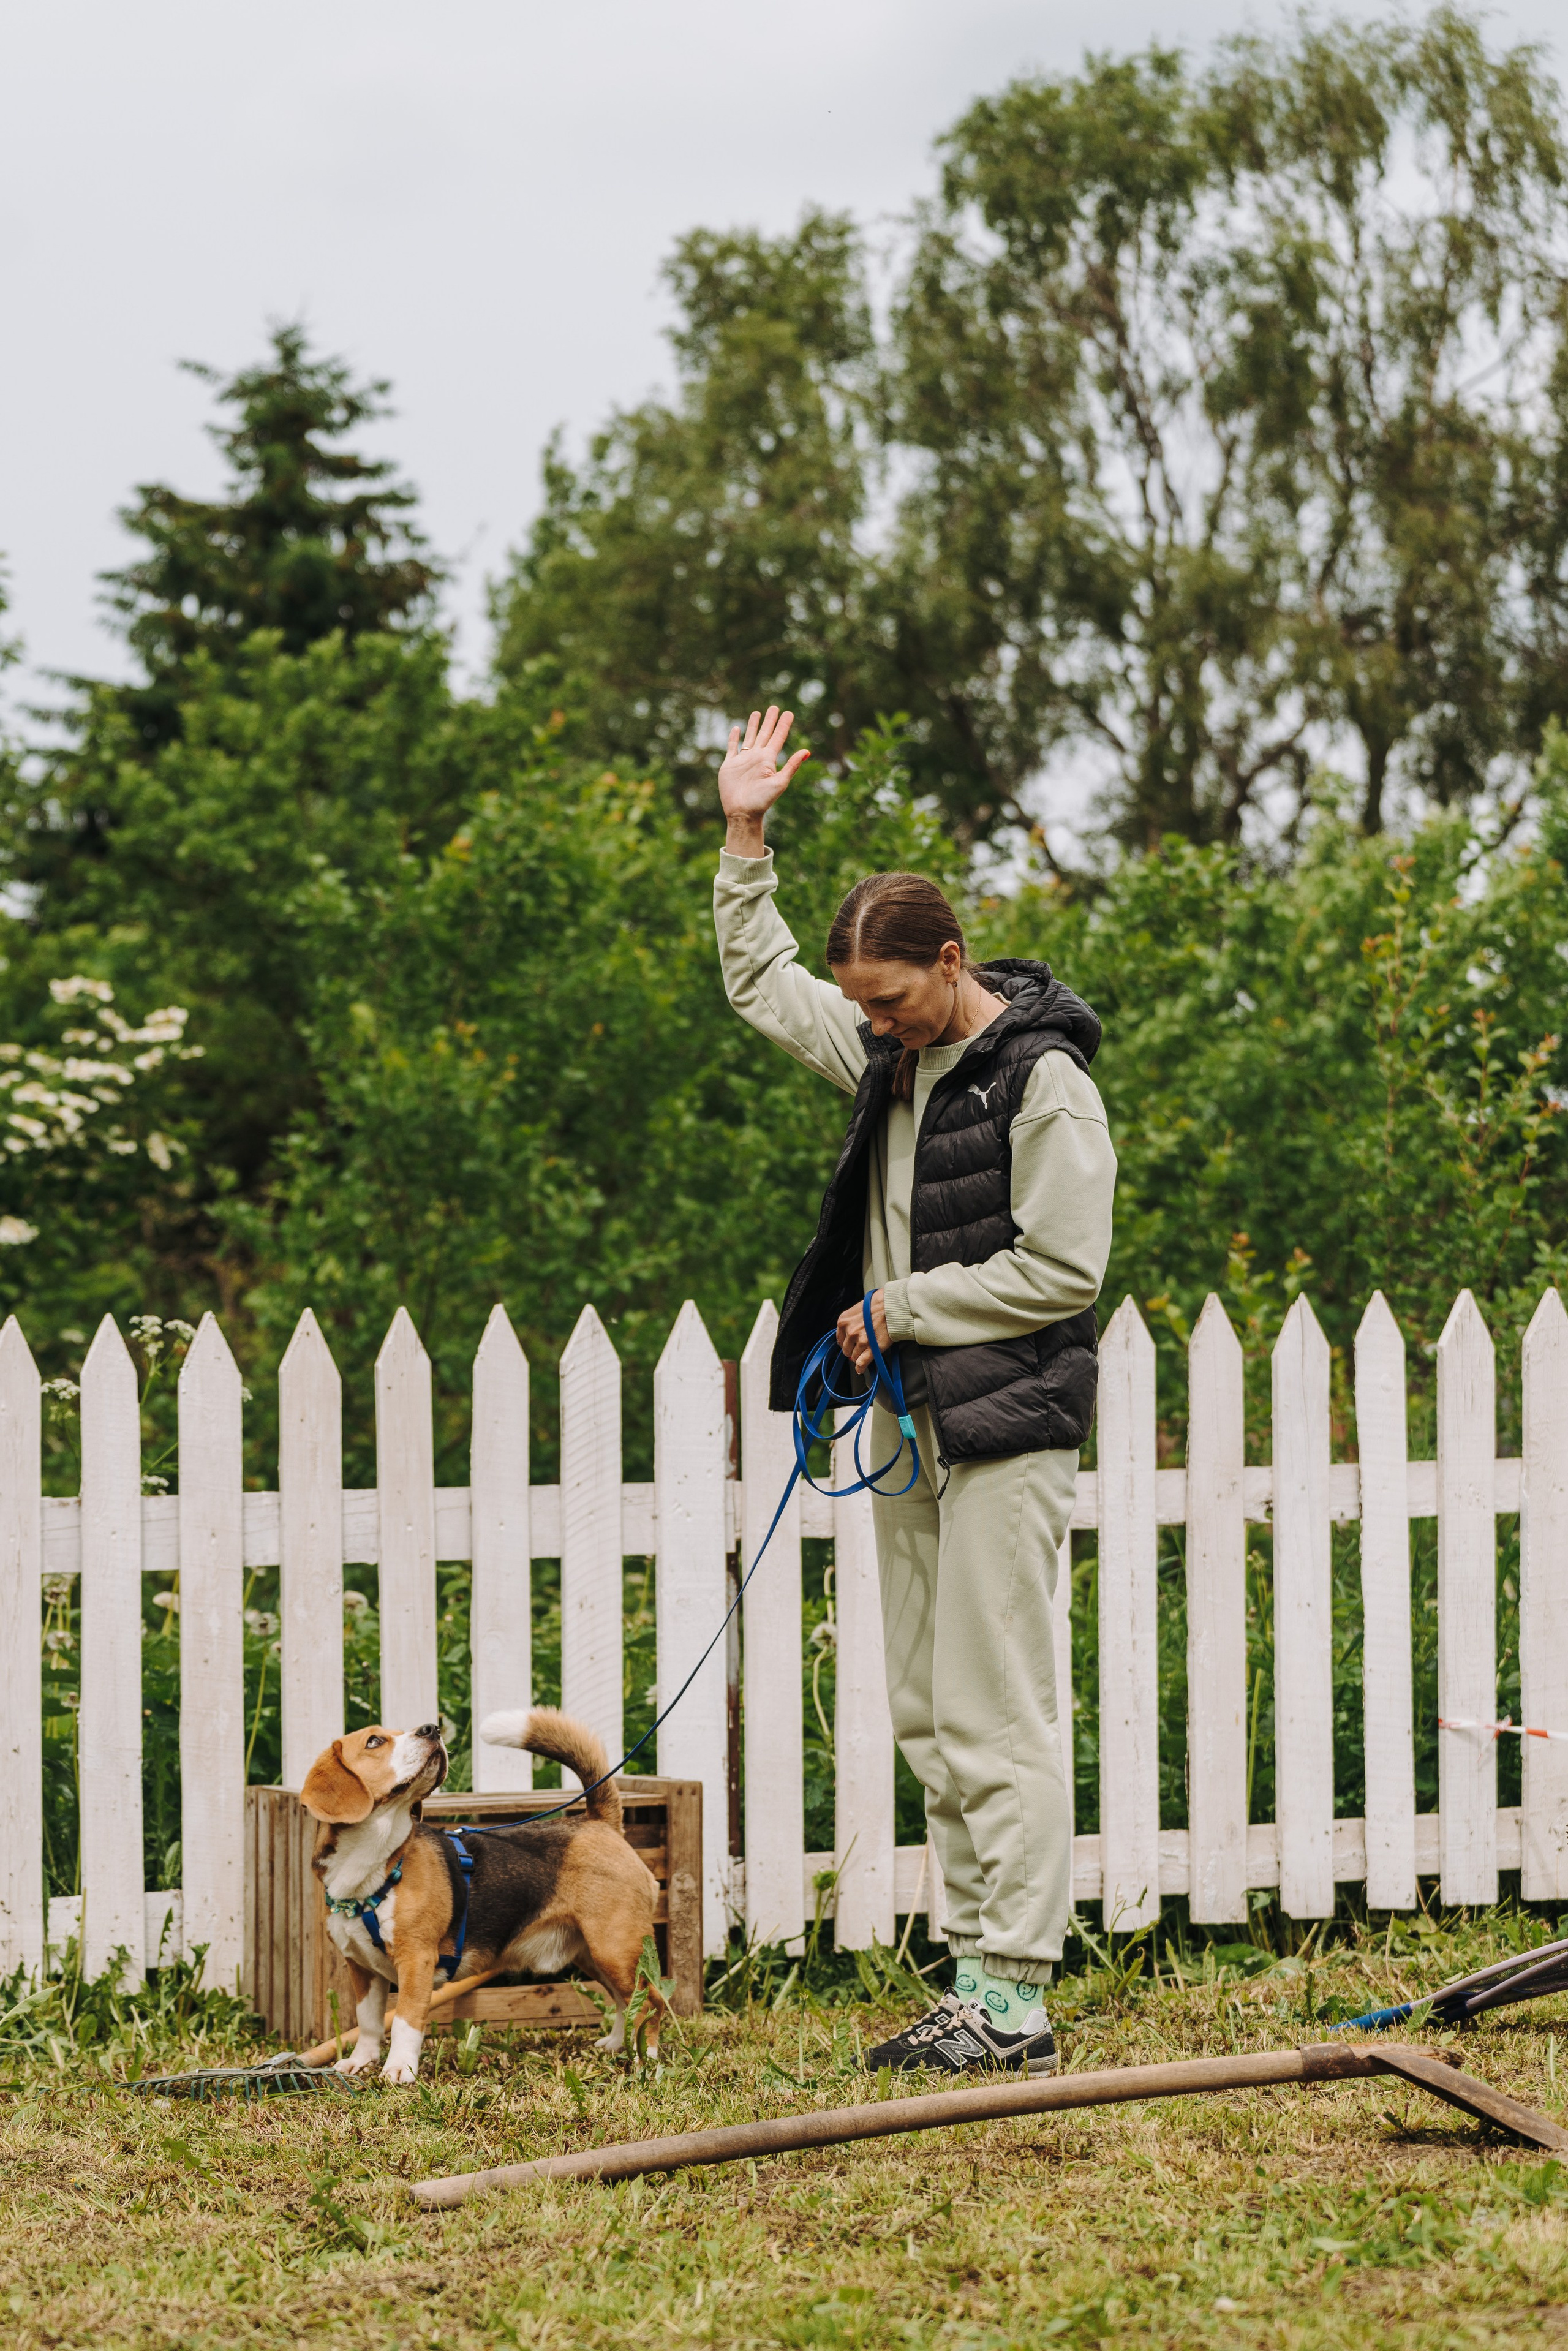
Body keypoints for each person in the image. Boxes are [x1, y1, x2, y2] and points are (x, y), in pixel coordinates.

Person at [715, 706, 1117, 2078]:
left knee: (997, 1707)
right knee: (930, 1712)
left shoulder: (1044, 1082)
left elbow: (1062, 1266)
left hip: (1010, 1421)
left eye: (888, 998)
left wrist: (901, 1306)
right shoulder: (894, 1054)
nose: (871, 1022)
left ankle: (1017, 1994)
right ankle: (974, 1976)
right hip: (913, 1423)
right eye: (864, 1006)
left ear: (950, 962)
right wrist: (745, 838)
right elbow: (763, 985)